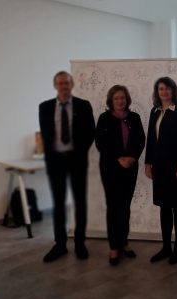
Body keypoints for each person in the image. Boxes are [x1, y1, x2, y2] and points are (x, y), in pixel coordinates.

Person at [39, 71, 95, 263]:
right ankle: (60, 244)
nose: (64, 86)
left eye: (66, 83)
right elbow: (46, 135)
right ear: (55, 86)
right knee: (58, 203)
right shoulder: (45, 107)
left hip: (76, 160)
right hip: (55, 162)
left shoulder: (83, 105)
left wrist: (78, 153)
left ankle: (80, 243)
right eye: (60, 83)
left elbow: (90, 133)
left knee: (80, 202)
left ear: (72, 84)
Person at [95, 85, 145, 266]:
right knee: (113, 207)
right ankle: (114, 247)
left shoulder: (134, 117)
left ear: (127, 99)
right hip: (110, 168)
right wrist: (118, 158)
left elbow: (140, 140)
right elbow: (100, 142)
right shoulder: (104, 118)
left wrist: (132, 158)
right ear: (111, 100)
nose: (120, 101)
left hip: (130, 168)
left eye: (122, 97)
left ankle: (124, 242)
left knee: (125, 206)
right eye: (116, 98)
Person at [145, 77, 177, 265]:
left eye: (167, 88)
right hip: (159, 168)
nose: (164, 92)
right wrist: (148, 163)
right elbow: (151, 139)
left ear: (173, 90)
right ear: (157, 92)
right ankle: (166, 247)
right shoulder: (155, 111)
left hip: (176, 168)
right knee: (164, 207)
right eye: (161, 89)